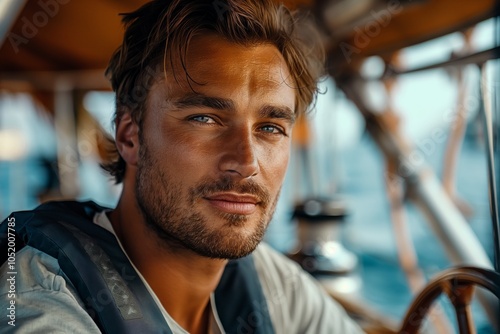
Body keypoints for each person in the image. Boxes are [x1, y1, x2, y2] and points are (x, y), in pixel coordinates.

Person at [0, 0, 364, 333]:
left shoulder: (271, 285)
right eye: (204, 119)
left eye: (270, 128)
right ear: (130, 137)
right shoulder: (39, 297)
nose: (246, 163)